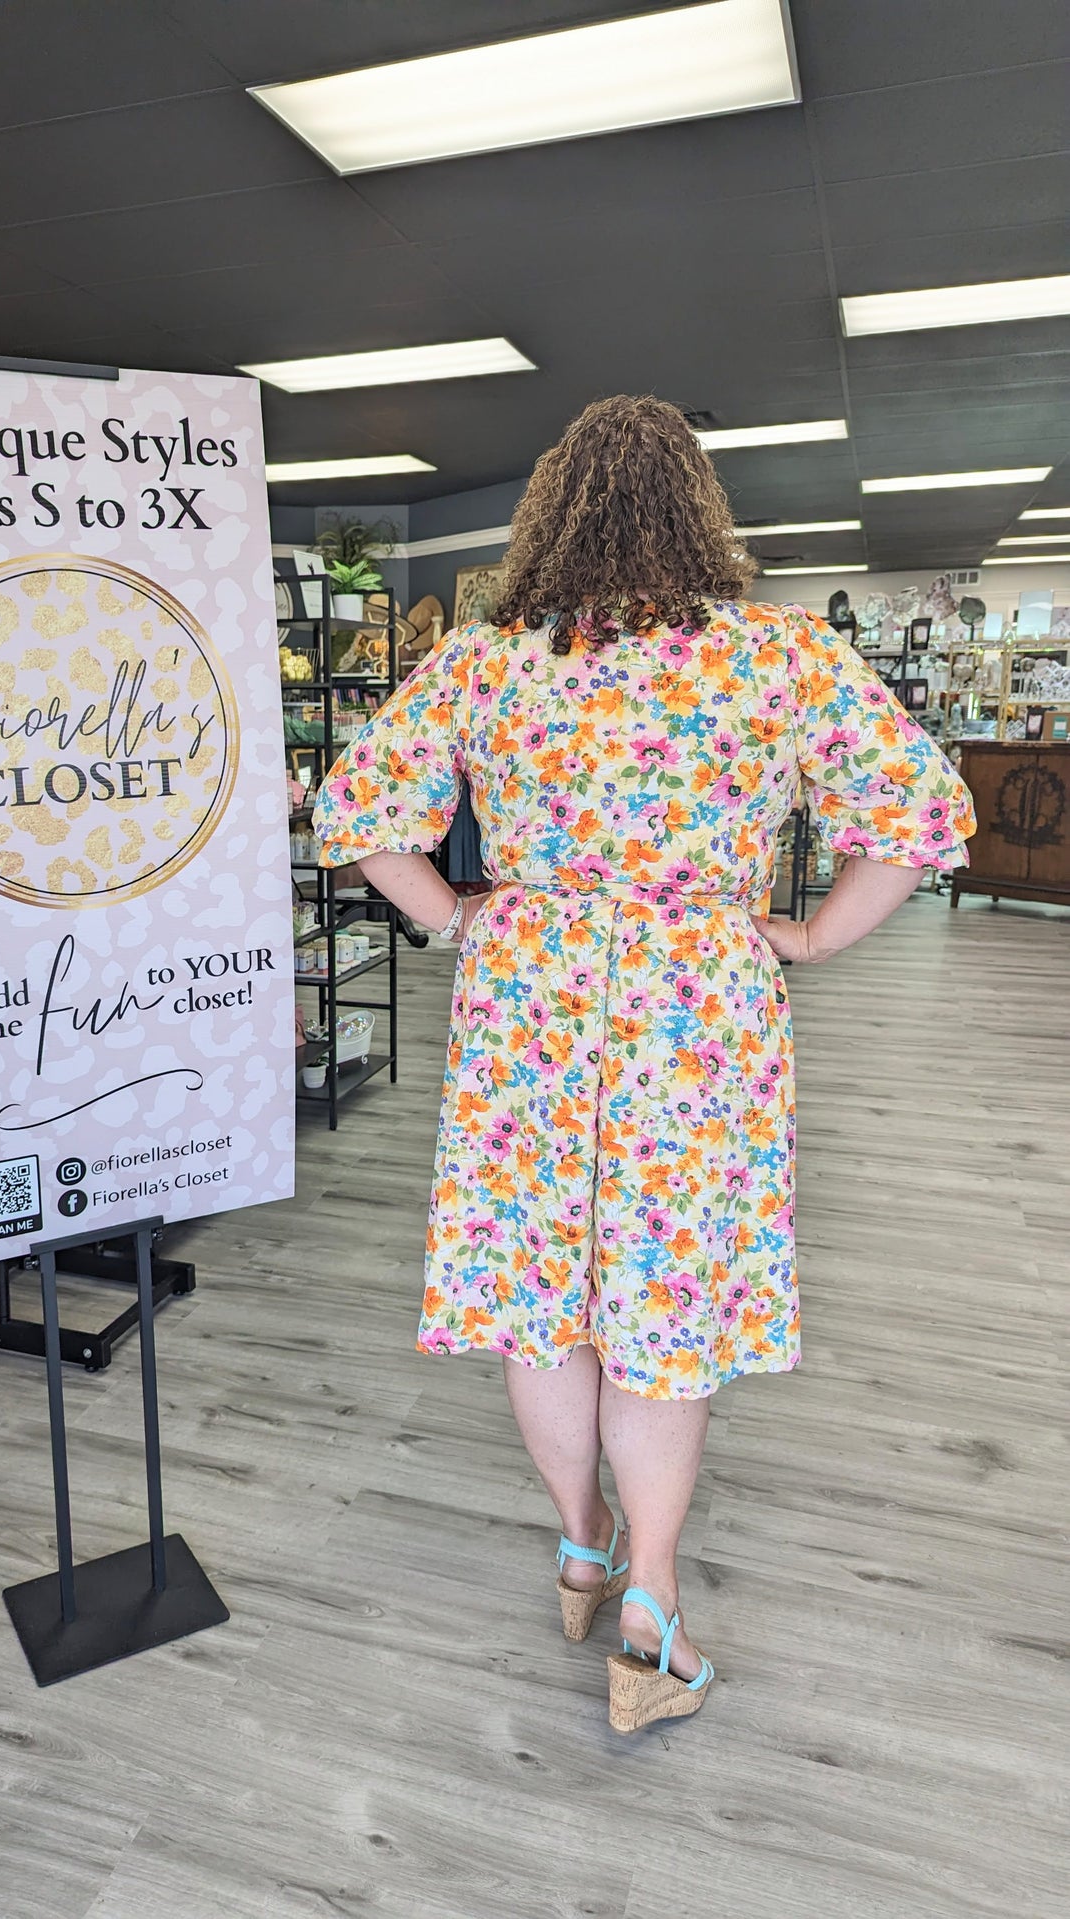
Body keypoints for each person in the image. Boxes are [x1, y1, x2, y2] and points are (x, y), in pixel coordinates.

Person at [313, 394, 974, 1732]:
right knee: (664, 1307)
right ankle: (649, 1612)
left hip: (526, 999)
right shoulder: (778, 660)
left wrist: (451, 915)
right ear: (698, 510)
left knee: (537, 1289)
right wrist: (803, 937)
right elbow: (915, 820)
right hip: (698, 1003)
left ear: (549, 509)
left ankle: (577, 1543)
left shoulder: (485, 661)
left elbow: (353, 813)